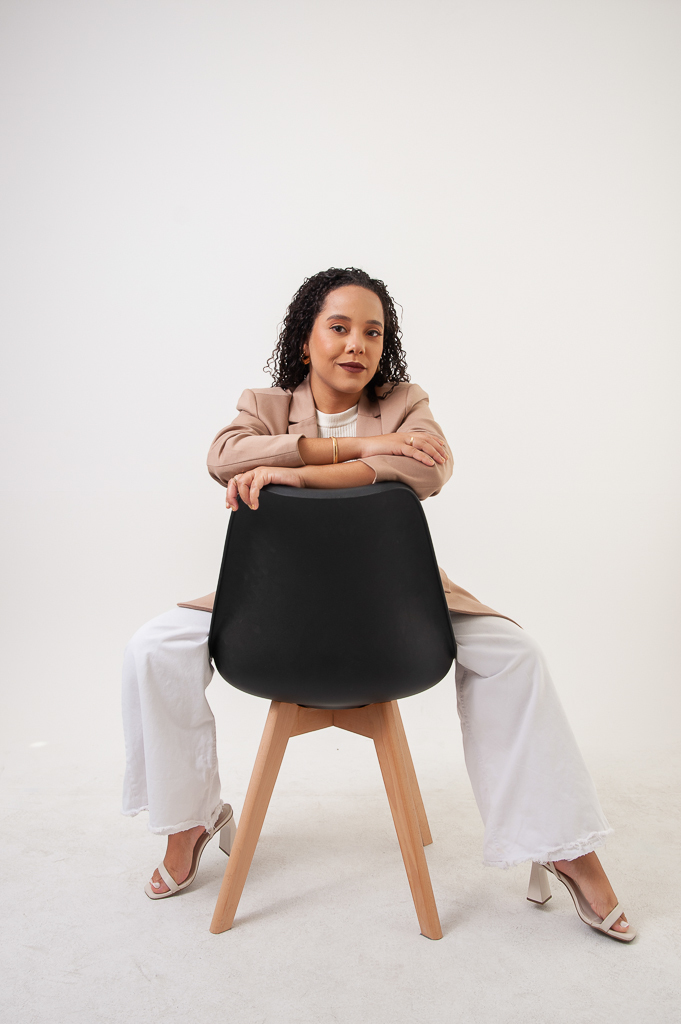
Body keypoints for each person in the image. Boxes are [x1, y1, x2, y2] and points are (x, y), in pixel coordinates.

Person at [122, 267, 634, 941]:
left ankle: (564, 846)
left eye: (372, 331)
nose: (356, 344)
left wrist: (298, 475)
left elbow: (429, 467)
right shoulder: (265, 404)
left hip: (395, 599)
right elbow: (226, 458)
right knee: (153, 648)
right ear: (305, 340)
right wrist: (362, 447)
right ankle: (189, 820)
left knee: (516, 656)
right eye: (338, 327)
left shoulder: (404, 403)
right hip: (277, 599)